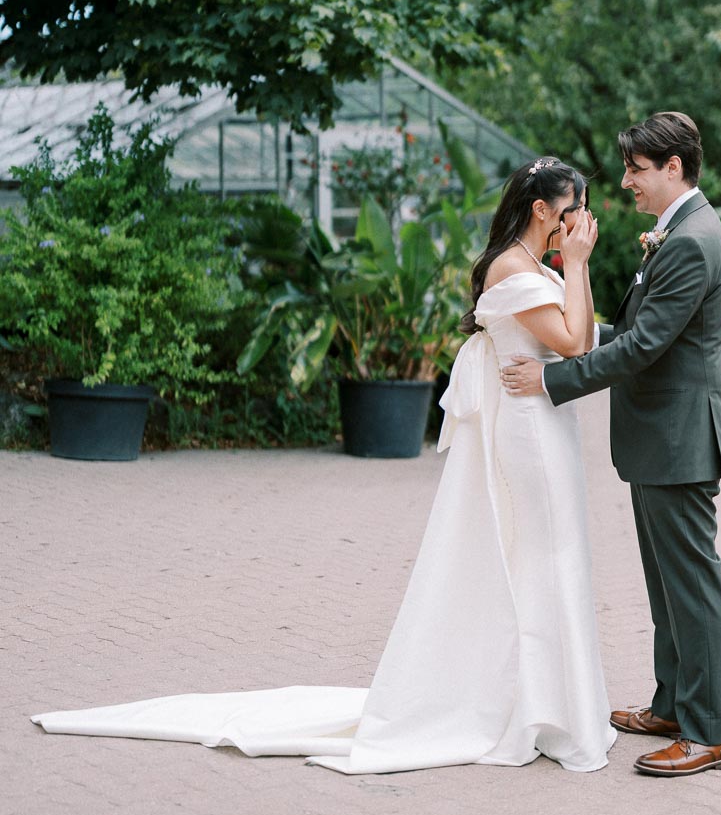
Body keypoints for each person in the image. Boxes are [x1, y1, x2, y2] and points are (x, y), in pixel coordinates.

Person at [33, 158, 618, 775]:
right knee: (545, 556)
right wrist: (578, 265)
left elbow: (578, 335)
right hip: (528, 434)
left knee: (550, 558)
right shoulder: (510, 267)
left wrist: (570, 272)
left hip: (545, 423)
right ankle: (541, 709)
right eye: (575, 207)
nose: (583, 219)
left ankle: (550, 703)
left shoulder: (533, 266)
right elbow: (577, 343)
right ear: (543, 211)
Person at [501, 112, 721, 777]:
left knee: (693, 589)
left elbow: (642, 347)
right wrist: (564, 331)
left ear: (673, 169)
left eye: (635, 169)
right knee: (667, 588)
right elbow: (630, 328)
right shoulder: (678, 231)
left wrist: (553, 380)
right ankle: (671, 704)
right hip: (658, 439)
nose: (626, 181)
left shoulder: (691, 241)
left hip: (680, 439)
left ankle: (709, 733)